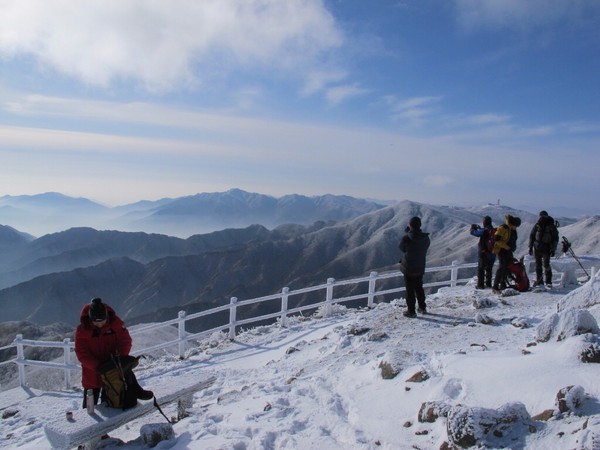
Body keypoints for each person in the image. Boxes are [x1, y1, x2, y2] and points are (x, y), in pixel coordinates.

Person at [75, 297, 152, 409]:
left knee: (112, 402)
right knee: (89, 408)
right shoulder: (83, 330)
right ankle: (88, 424)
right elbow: (82, 353)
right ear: (90, 319)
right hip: (92, 373)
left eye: (102, 322)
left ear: (107, 317)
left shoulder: (115, 323)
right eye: (96, 323)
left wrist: (118, 359)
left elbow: (125, 341)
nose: (100, 325)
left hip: (113, 371)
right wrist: (98, 366)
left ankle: (135, 392)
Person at [399, 216, 431, 318]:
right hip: (420, 267)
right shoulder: (425, 238)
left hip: (408, 268)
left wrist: (407, 234)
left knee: (410, 291)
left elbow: (402, 248)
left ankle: (411, 311)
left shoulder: (406, 238)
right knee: (419, 288)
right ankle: (422, 307)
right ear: (420, 225)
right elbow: (424, 247)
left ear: (410, 225)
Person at [528, 210, 559, 288]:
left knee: (546, 265)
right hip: (537, 248)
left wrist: (553, 249)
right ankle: (539, 281)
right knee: (538, 265)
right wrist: (530, 247)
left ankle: (548, 282)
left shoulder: (551, 226)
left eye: (543, 216)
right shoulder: (537, 225)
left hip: (546, 248)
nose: (542, 217)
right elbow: (532, 236)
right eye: (541, 216)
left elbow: (555, 238)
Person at [491, 214, 521, 294]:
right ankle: (495, 286)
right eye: (516, 226)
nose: (516, 227)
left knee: (507, 267)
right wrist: (506, 247)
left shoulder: (511, 230)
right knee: (502, 268)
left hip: (509, 251)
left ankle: (503, 284)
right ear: (513, 224)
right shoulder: (503, 228)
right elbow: (496, 239)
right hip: (502, 251)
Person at [470, 216, 496, 289]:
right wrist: (479, 228)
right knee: (489, 269)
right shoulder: (493, 230)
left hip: (484, 253)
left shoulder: (484, 231)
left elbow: (474, 233)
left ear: (484, 222)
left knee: (481, 269)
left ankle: (480, 285)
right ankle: (488, 284)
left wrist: (472, 228)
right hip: (493, 254)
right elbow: (484, 231)